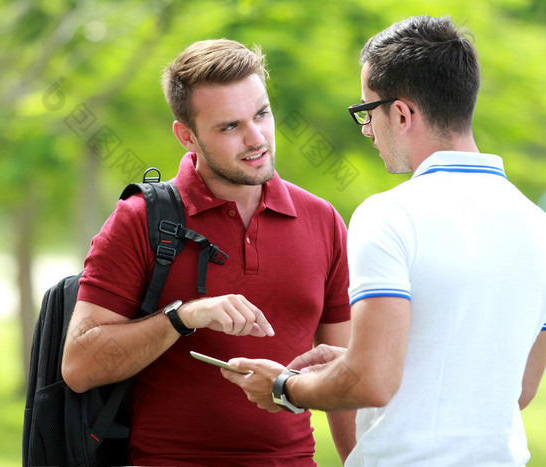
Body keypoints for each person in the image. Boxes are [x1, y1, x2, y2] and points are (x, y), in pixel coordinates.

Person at [222, 15, 546, 466]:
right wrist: (361, 354)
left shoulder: (389, 215)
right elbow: (518, 388)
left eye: (366, 112)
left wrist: (283, 387)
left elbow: (372, 381)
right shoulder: (537, 225)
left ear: (400, 112)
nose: (368, 129)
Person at [61, 39, 356, 466]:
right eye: (229, 126)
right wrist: (183, 317)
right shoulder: (140, 220)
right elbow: (80, 364)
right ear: (187, 136)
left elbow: (342, 376)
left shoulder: (323, 221)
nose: (256, 139)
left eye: (262, 114)